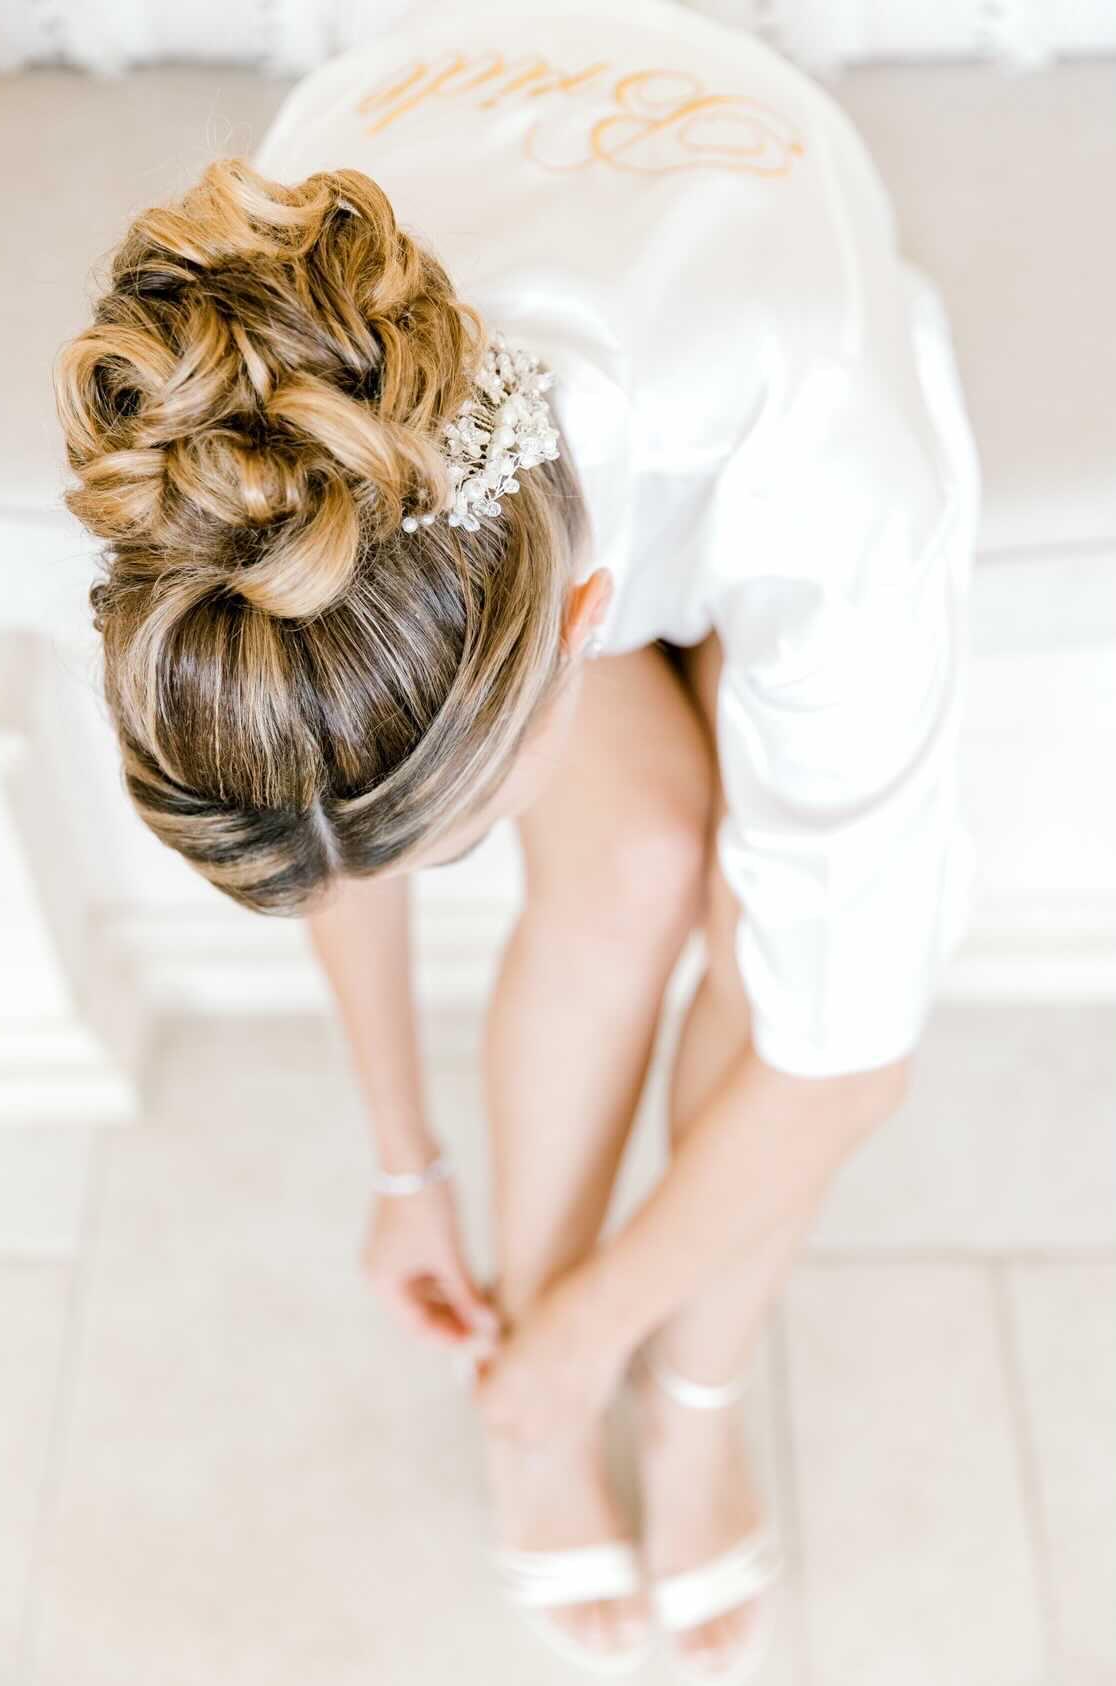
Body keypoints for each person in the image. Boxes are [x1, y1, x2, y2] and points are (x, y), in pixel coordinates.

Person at [53, 0, 983, 1676]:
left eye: (462, 838)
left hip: (762, 345)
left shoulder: (839, 479)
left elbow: (849, 1055)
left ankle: (684, 1410)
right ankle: (535, 1432)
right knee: (628, 859)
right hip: (488, 386)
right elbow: (334, 780)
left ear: (585, 621)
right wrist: (404, 1165)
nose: (438, 871)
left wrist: (598, 1333)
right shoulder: (280, 438)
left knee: (769, 951)